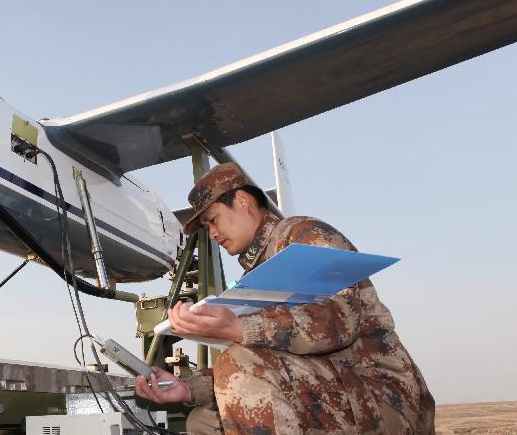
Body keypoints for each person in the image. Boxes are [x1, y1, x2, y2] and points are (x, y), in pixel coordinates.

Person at [135, 162, 434, 434]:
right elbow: (273, 368)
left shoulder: (302, 234)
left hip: (385, 397)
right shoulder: (257, 271)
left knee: (238, 361)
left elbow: (341, 319)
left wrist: (240, 329)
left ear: (242, 201)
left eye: (213, 220)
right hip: (335, 393)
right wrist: (188, 389)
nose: (212, 234)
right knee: (202, 422)